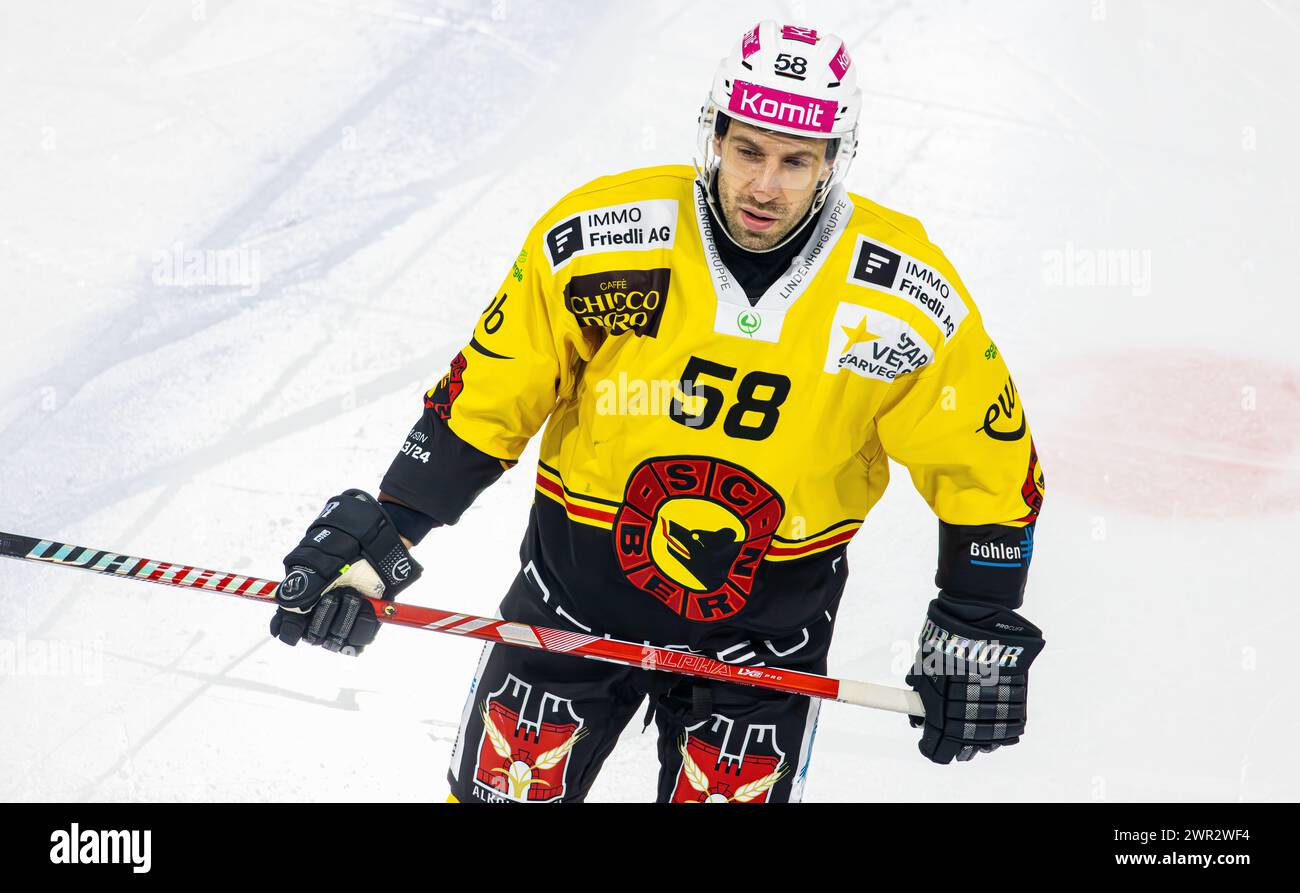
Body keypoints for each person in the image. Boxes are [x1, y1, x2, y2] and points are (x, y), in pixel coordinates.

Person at [268, 20, 1047, 803]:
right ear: (713, 133)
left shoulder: (905, 295)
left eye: (795, 160)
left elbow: (986, 456)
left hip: (762, 648)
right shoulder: (601, 239)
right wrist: (387, 533)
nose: (766, 187)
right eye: (747, 150)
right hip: (567, 610)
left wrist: (977, 612)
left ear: (835, 160)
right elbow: (491, 393)